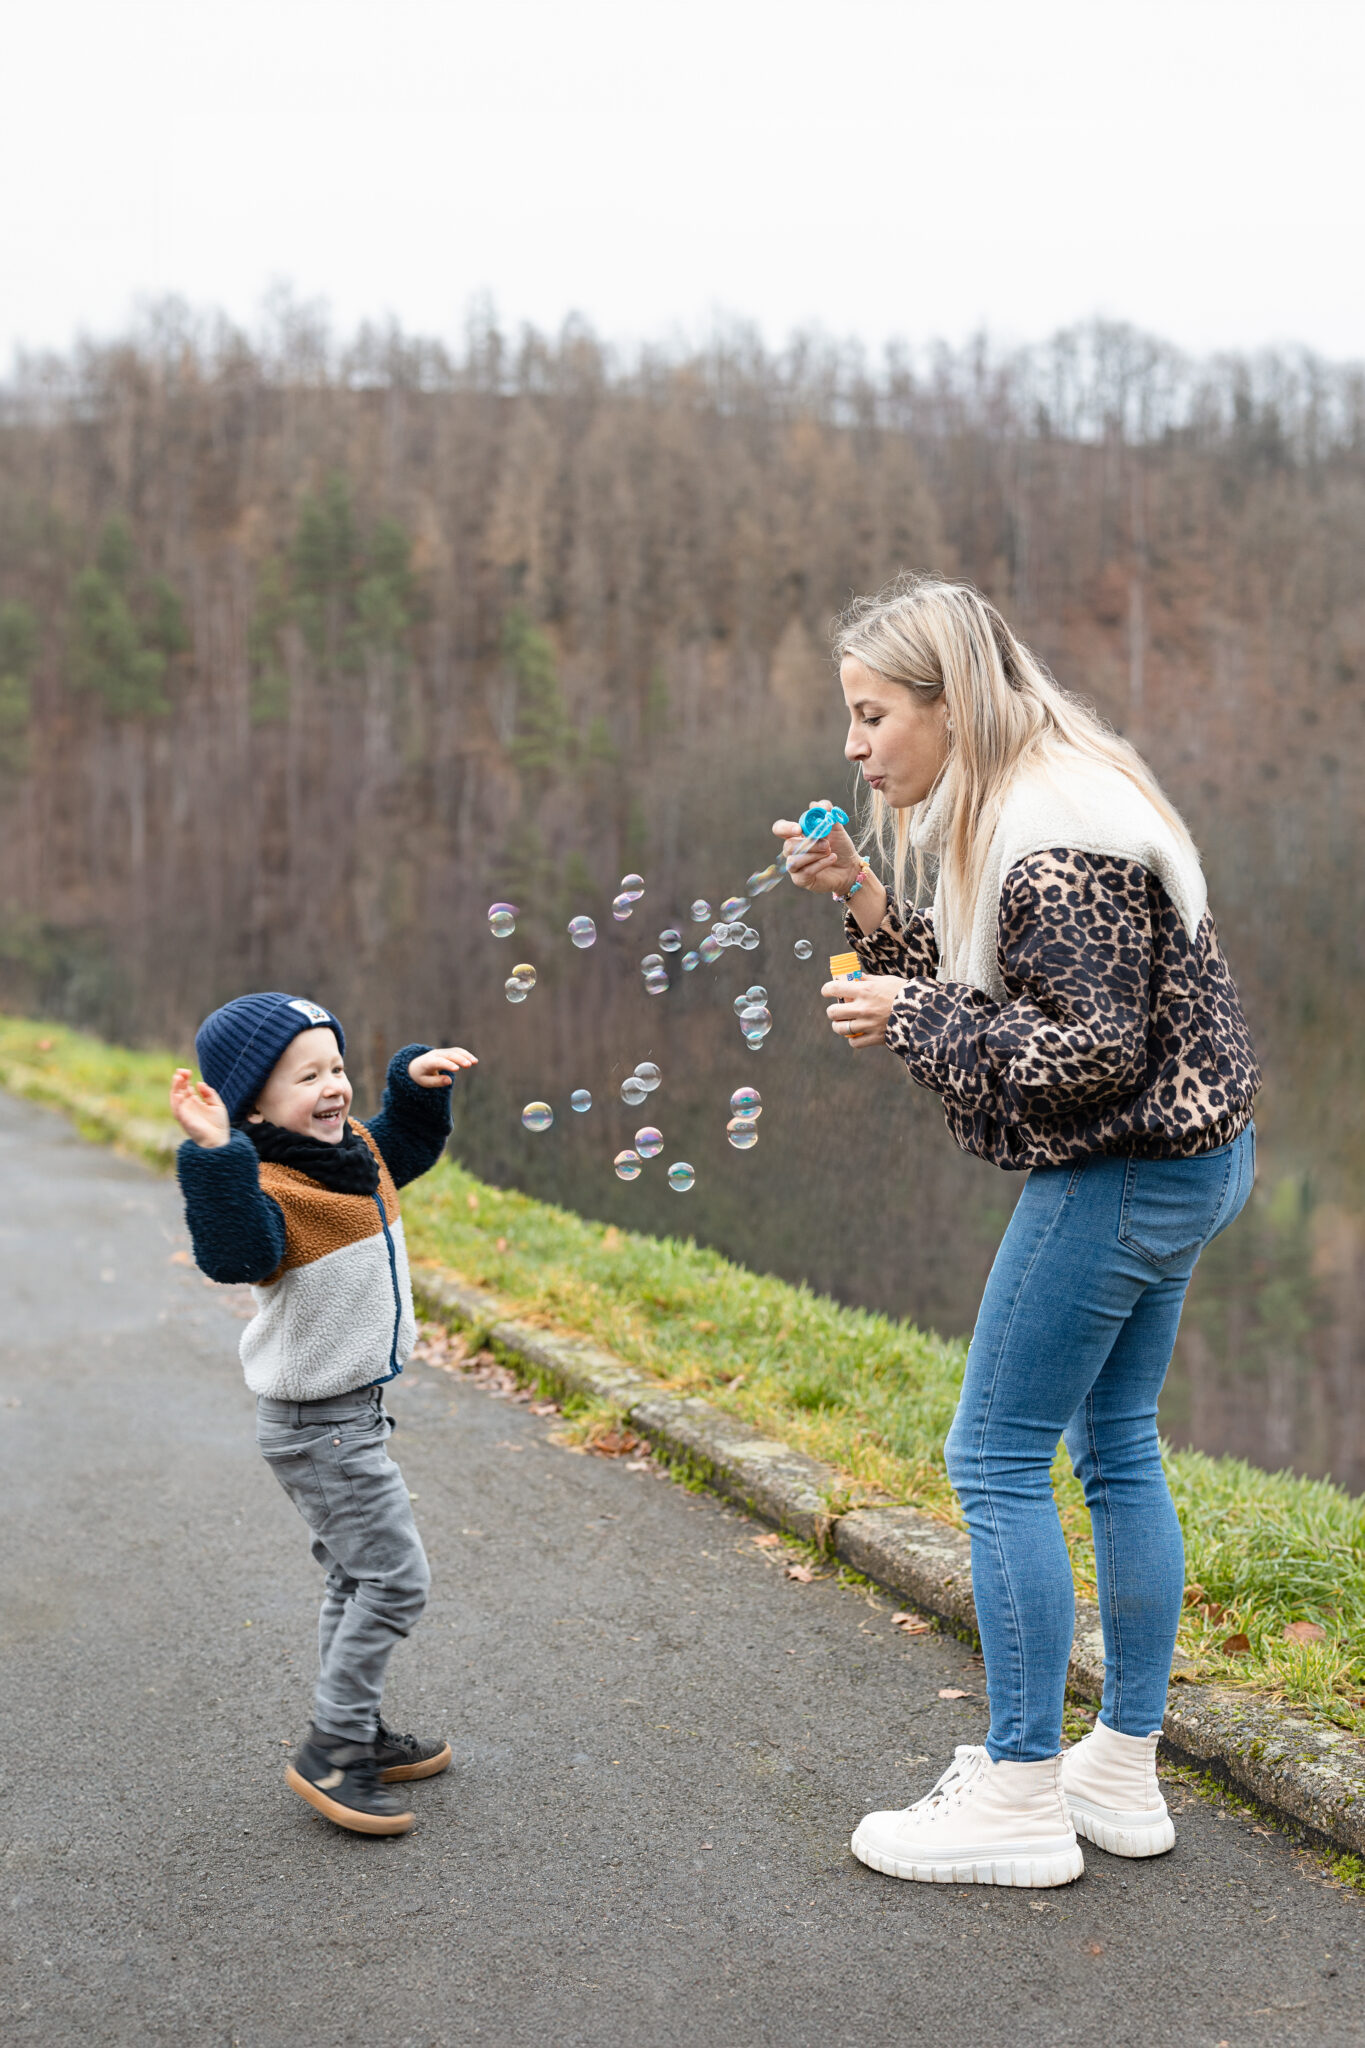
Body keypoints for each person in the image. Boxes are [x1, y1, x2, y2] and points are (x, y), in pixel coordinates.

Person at [775, 576, 1258, 1889]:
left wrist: (907, 1017)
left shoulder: (1047, 836)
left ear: (949, 704)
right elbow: (1027, 986)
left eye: (874, 716)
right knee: (1111, 1444)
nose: (856, 747)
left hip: (1121, 1174)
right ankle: (1118, 1769)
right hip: (1193, 1159)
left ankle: (1017, 1791)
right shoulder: (1053, 783)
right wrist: (870, 910)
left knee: (989, 1456)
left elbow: (1086, 1052)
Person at [170, 992, 477, 1838]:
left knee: (356, 1573)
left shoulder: (355, 1154)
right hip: (317, 1424)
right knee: (394, 1578)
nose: (333, 1087)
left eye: (335, 1066)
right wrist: (214, 1153)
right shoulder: (268, 1186)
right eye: (306, 1076)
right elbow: (234, 1253)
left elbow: (406, 1142)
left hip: (353, 1415)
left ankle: (357, 1727)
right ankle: (333, 1751)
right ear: (254, 1104)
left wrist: (412, 1084)